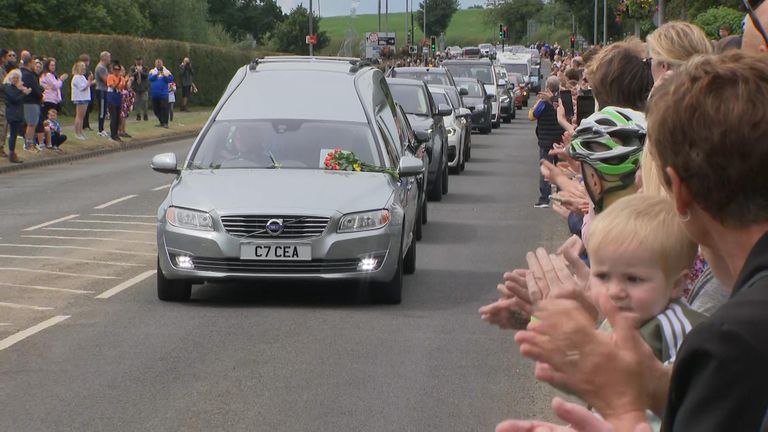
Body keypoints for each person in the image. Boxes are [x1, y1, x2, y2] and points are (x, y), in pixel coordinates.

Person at [506, 50, 768, 432]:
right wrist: (656, 387)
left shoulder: (730, 345)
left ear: (679, 191)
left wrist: (626, 416)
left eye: (648, 173)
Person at [530, 76, 565, 208]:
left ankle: (544, 198)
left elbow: (532, 115)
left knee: (545, 170)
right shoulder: (561, 101)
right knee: (561, 169)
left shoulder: (543, 103)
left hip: (545, 141)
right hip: (560, 140)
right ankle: (561, 197)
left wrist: (539, 101)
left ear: (547, 87)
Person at [3, 68, 29, 163]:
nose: (16, 80)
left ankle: (13, 153)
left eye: (17, 78)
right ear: (10, 78)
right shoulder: (8, 87)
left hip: (17, 113)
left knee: (15, 133)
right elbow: (15, 99)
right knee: (13, 134)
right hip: (12, 113)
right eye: (14, 78)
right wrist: (23, 93)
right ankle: (12, 153)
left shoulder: (15, 88)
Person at [19, 52, 42, 151]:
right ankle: (28, 144)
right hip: (30, 102)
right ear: (29, 63)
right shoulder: (27, 75)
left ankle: (31, 143)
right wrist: (40, 95)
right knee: (31, 123)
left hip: (31, 102)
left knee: (33, 123)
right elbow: (33, 89)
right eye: (33, 63)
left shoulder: (27, 74)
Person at [148, 58, 173, 128]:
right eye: (157, 63)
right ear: (155, 64)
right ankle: (161, 121)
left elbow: (171, 79)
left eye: (160, 63)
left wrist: (165, 76)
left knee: (164, 108)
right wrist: (156, 74)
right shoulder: (152, 71)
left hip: (163, 94)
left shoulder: (166, 71)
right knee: (156, 109)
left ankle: (165, 123)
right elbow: (150, 78)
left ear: (162, 64)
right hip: (155, 94)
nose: (158, 65)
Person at [71, 61, 92, 140]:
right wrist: (89, 81)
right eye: (82, 66)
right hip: (80, 98)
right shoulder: (76, 77)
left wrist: (91, 81)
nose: (84, 68)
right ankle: (77, 133)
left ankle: (81, 132)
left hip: (85, 98)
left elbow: (87, 85)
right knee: (79, 116)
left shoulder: (82, 77)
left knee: (82, 117)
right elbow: (82, 87)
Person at [105, 62, 126, 142]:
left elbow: (123, 87)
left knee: (118, 117)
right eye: (115, 69)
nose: (116, 71)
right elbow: (112, 85)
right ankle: (113, 134)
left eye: (118, 70)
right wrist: (118, 82)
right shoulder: (110, 77)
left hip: (118, 96)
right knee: (113, 116)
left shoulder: (122, 78)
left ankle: (116, 133)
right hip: (112, 96)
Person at [94, 51, 111, 137]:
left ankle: (102, 128)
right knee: (102, 110)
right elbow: (106, 80)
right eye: (108, 57)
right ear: (104, 58)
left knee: (104, 110)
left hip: (104, 90)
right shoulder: (101, 67)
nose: (110, 59)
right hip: (101, 90)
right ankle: (100, 130)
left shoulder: (104, 67)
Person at [130, 57, 149, 121]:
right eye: (137, 60)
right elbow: (131, 75)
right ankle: (138, 115)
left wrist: (141, 72)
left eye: (140, 60)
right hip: (136, 88)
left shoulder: (145, 68)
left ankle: (145, 114)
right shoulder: (132, 68)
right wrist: (136, 72)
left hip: (144, 87)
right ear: (135, 61)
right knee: (137, 102)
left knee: (144, 101)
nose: (138, 62)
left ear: (142, 61)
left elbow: (147, 75)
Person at [79, 54, 94, 130]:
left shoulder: (88, 69)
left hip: (88, 90)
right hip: (85, 91)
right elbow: (86, 82)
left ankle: (86, 124)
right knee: (84, 110)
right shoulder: (83, 71)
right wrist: (92, 81)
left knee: (88, 109)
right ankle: (84, 125)